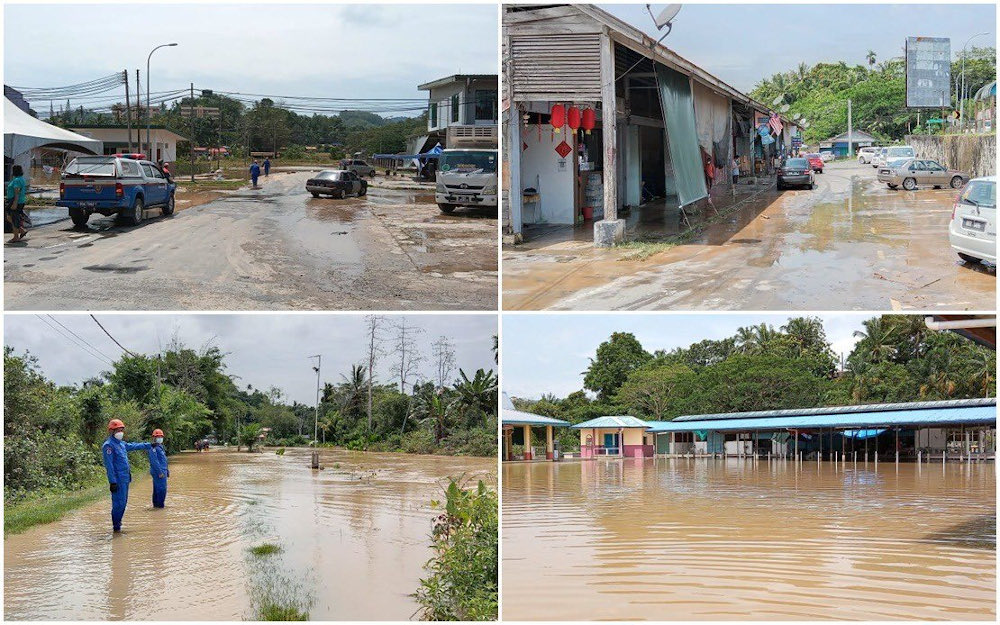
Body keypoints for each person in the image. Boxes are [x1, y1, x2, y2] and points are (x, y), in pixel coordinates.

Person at [102, 419, 152, 533]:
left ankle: (118, 524)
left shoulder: (122, 444)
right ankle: (116, 527)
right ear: (112, 431)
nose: (120, 432)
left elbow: (134, 446)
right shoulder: (108, 446)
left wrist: (149, 445)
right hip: (118, 480)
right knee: (118, 504)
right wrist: (112, 482)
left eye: (121, 429)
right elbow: (109, 466)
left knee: (123, 503)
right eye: (118, 430)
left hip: (125, 479)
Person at [6, 165, 29, 243]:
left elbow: (17, 192)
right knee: (10, 217)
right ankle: (21, 230)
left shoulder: (16, 180)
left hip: (15, 201)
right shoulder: (21, 179)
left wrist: (15, 203)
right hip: (19, 201)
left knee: (13, 218)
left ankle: (16, 237)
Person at [148, 428, 169, 508]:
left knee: (157, 489)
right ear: (154, 438)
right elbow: (154, 462)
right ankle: (160, 507)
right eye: (158, 437)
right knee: (161, 490)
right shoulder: (153, 448)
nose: (160, 438)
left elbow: (163, 460)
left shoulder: (160, 447)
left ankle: (156, 506)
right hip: (159, 472)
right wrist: (160, 472)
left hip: (162, 471)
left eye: (161, 436)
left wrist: (167, 470)